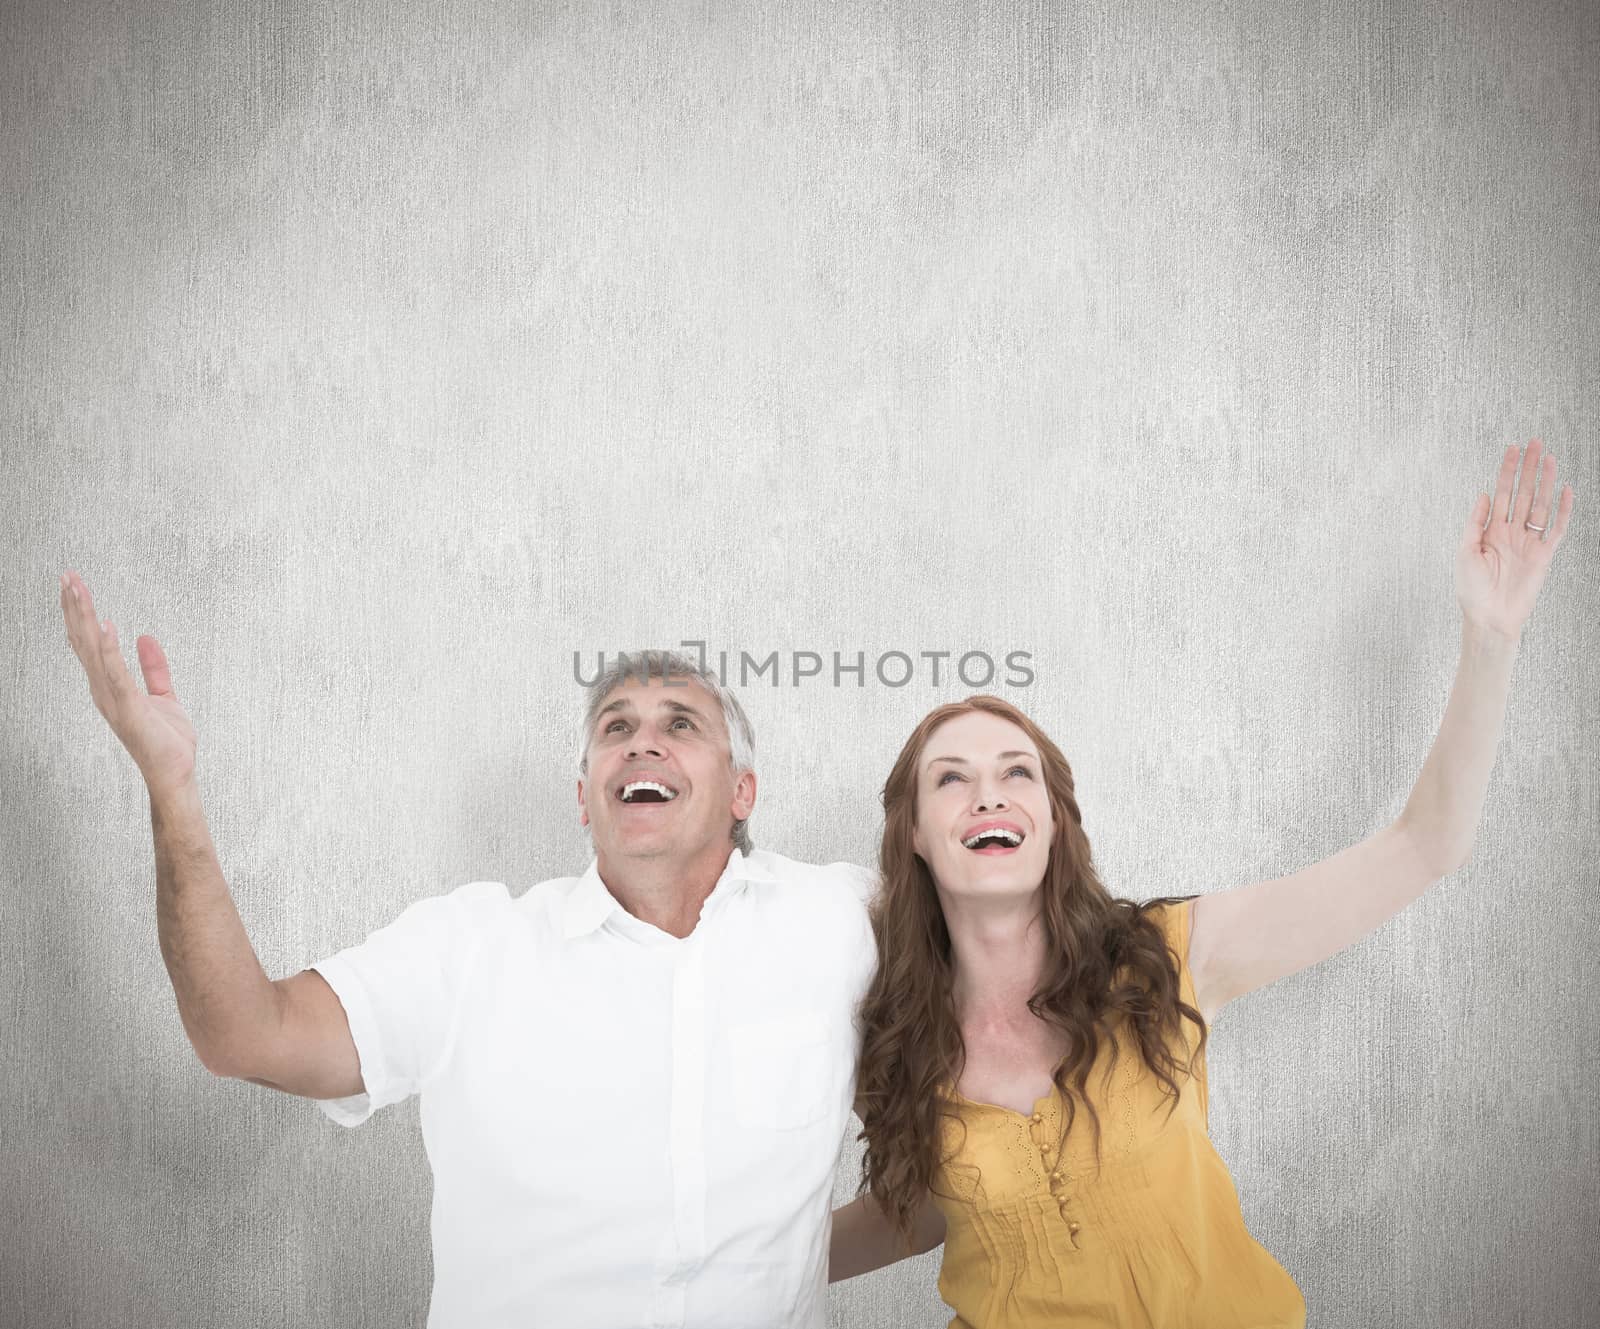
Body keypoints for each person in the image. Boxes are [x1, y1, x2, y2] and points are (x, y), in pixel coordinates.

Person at [828, 441, 1574, 1327]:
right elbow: (920, 1211)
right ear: (913, 833)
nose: (988, 789)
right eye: (950, 777)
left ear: (1056, 820)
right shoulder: (896, 1027)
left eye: (1016, 771)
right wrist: (697, 1262)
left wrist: (1491, 638)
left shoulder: (1167, 957)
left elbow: (1427, 843)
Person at [56, 608, 875, 1328]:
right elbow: (243, 1033)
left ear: (743, 790)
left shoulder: (838, 919)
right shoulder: (472, 947)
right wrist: (173, 789)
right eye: (615, 727)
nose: (642, 740)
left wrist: (789, 1262)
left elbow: (992, 968)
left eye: (681, 724)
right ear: (583, 796)